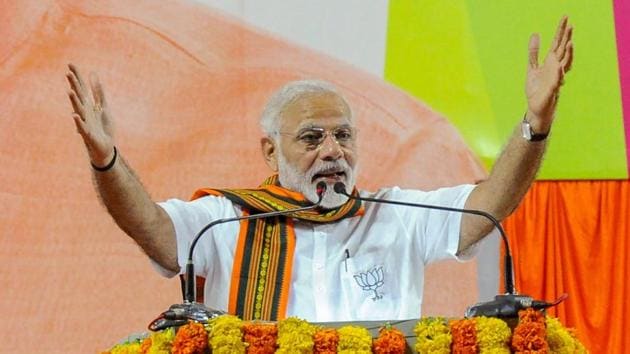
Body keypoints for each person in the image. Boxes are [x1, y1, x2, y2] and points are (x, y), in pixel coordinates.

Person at [66, 17, 573, 322]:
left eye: (343, 135)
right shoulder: (224, 221)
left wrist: (535, 125)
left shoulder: (393, 215)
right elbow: (151, 227)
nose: (333, 150)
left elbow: (486, 206)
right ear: (271, 152)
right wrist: (106, 161)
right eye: (312, 137)